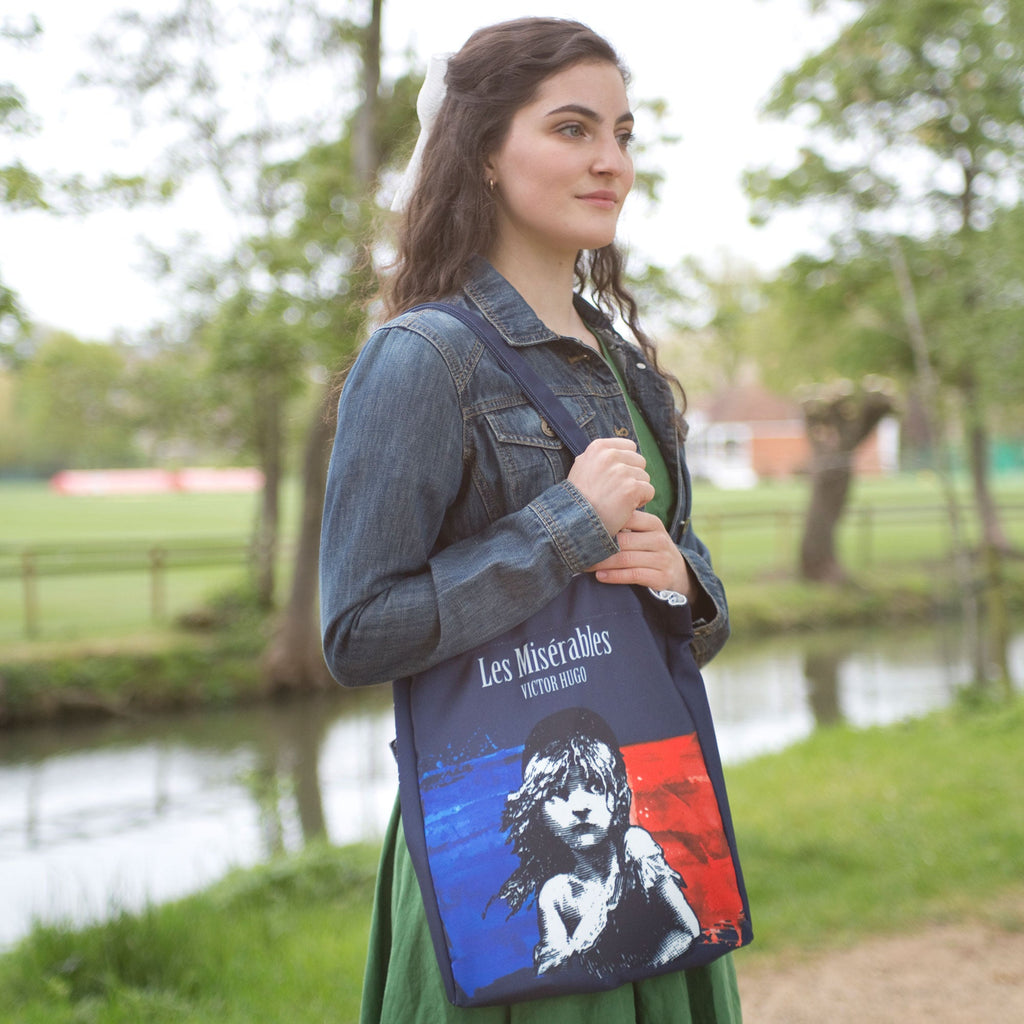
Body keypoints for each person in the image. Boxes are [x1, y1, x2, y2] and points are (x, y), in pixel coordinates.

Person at [319, 16, 741, 1023]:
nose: (610, 161)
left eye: (624, 133)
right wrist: (563, 530)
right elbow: (355, 630)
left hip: (650, 823)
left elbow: (683, 592)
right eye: (571, 129)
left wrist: (681, 581)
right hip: (497, 872)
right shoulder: (423, 357)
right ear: (481, 155)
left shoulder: (618, 352)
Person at [497, 708, 701, 979]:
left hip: (662, 978)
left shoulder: (635, 849)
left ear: (616, 796)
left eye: (594, 786)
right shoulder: (557, 894)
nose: (580, 806)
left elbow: (685, 929)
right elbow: (554, 972)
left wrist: (640, 972)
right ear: (540, 815)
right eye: (558, 793)